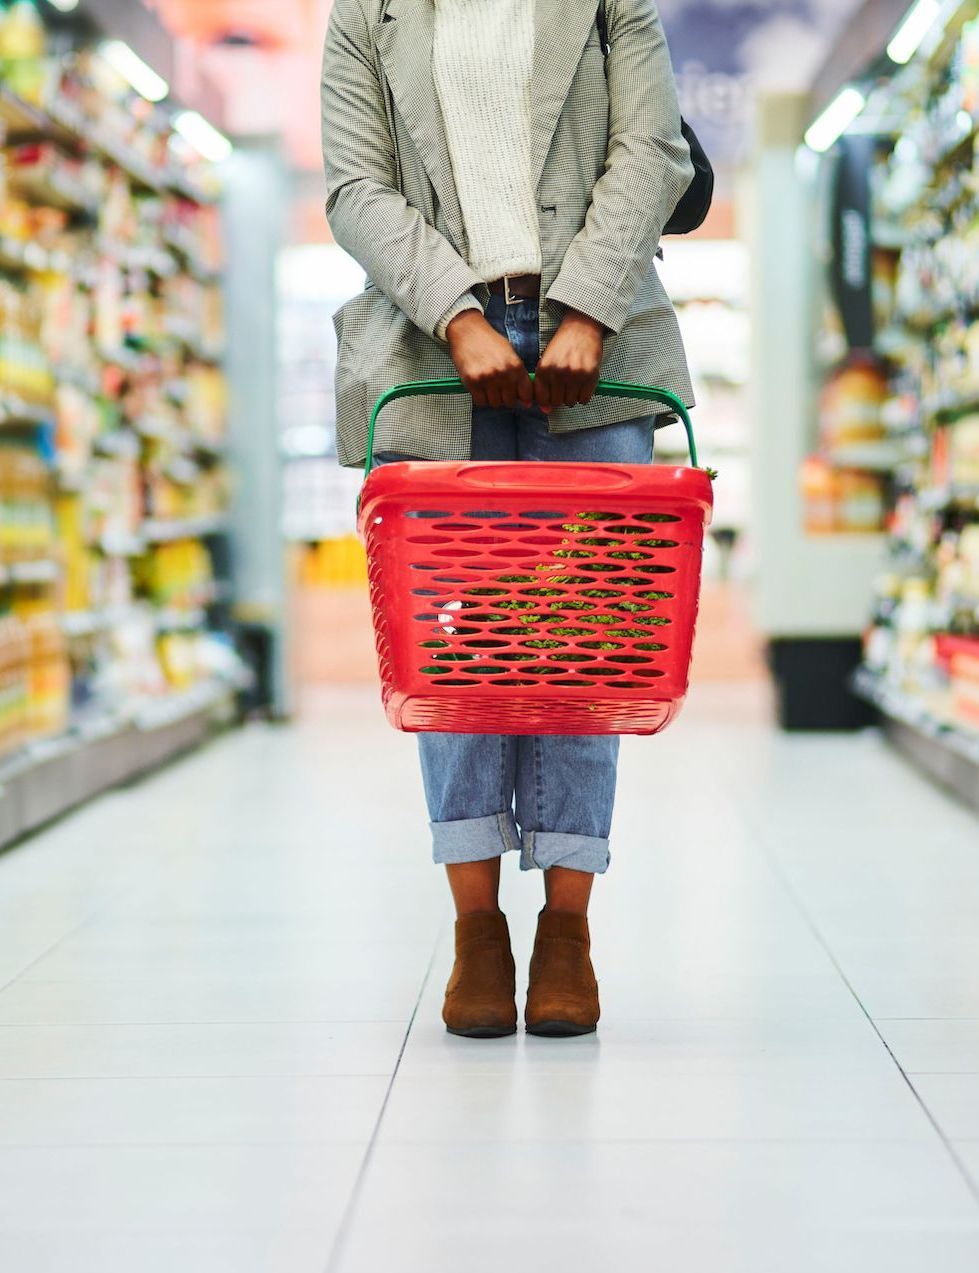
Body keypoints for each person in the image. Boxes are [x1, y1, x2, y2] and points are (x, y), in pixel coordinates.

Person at [321, 0, 694, 1038]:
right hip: (430, 351)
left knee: (588, 646)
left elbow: (652, 150)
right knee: (457, 651)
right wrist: (456, 312)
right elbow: (357, 188)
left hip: (601, 348)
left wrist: (585, 309)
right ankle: (476, 927)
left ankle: (566, 926)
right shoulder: (368, 13)